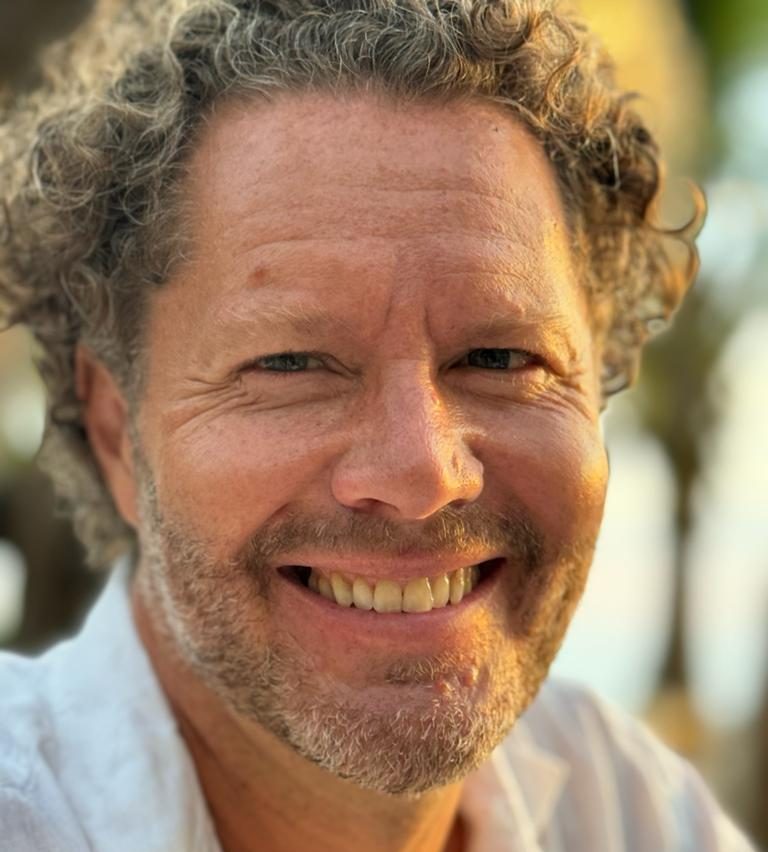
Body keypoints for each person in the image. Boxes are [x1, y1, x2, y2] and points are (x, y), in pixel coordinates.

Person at [0, 1, 755, 850]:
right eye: (292, 363)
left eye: (501, 358)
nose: (422, 471)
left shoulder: (636, 814)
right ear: (116, 433)